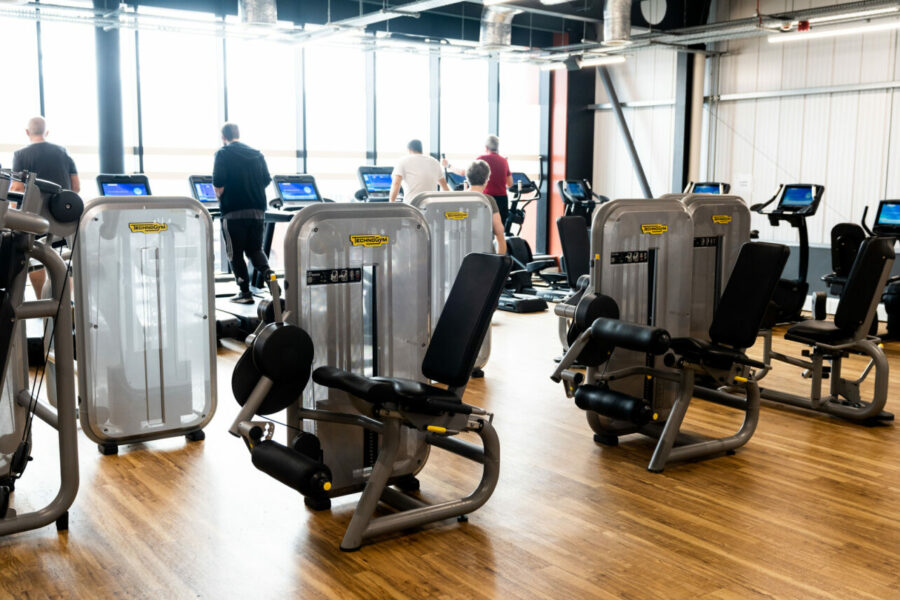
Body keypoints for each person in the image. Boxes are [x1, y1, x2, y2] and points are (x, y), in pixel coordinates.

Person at [10, 116, 80, 299]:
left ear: (27, 132)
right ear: (46, 132)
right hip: (63, 217)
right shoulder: (63, 152)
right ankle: (62, 304)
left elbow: (17, 188)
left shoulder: (21, 155)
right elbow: (76, 187)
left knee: (35, 258)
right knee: (63, 261)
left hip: (35, 217)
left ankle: (43, 305)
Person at [212, 122, 272, 304]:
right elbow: (266, 180)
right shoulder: (256, 154)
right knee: (255, 250)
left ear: (223, 137)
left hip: (234, 211)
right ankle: (272, 279)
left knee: (234, 253)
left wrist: (220, 196)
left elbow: (218, 182)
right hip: (257, 211)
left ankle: (244, 293)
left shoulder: (222, 153)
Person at [443, 135, 513, 225]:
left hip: (486, 200)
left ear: (486, 147)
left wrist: (448, 165)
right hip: (502, 201)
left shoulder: (481, 159)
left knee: (483, 229)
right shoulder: (504, 161)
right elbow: (510, 183)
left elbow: (463, 172)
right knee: (499, 229)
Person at [465, 160, 507, 255]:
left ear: (467, 178)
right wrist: (498, 265)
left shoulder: (457, 199)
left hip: (459, 257)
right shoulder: (489, 201)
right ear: (487, 179)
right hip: (485, 258)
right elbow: (500, 235)